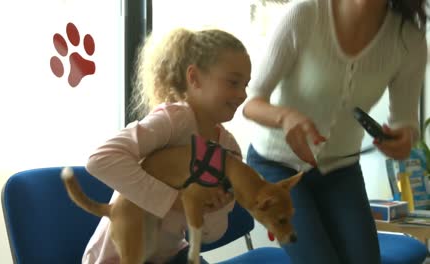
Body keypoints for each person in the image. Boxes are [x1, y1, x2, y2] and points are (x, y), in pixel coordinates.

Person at [242, 0, 427, 263]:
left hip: (341, 170)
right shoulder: (305, 13)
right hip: (277, 167)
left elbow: (405, 121)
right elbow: (251, 102)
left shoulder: (410, 39)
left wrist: (402, 140)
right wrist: (284, 116)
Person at [83, 27, 251, 264]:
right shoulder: (173, 121)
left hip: (170, 256)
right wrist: (173, 201)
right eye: (233, 82)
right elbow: (100, 160)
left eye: (246, 85)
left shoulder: (229, 147)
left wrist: (211, 210)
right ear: (194, 78)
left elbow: (211, 234)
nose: (242, 94)